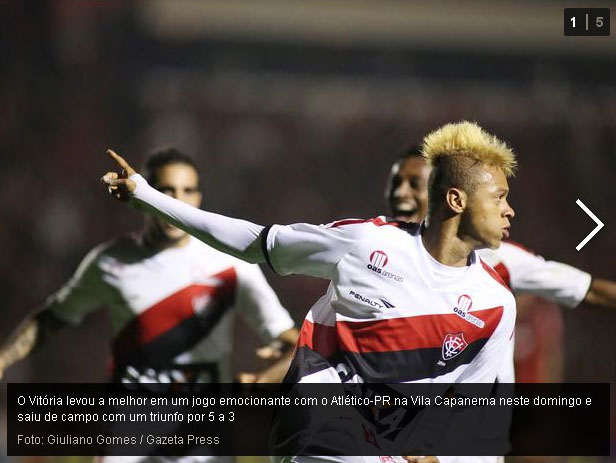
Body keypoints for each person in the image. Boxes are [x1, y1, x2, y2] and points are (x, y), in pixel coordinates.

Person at [100, 121, 517, 460]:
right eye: (498, 196)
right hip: (316, 420)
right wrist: (149, 198)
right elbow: (254, 242)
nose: (508, 209)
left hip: (382, 445)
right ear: (457, 199)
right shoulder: (367, 244)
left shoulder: (496, 305)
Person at [0, 147, 298, 386]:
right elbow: (51, 319)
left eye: (187, 191)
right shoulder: (110, 261)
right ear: (146, 194)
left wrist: (263, 379)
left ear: (199, 198)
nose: (177, 201)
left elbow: (294, 344)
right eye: (166, 191)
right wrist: (3, 360)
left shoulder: (233, 264)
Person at [385, 147, 616, 382]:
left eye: (415, 184)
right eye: (395, 183)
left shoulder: (497, 260)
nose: (400, 192)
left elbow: (591, 290)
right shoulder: (371, 252)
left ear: (446, 194)